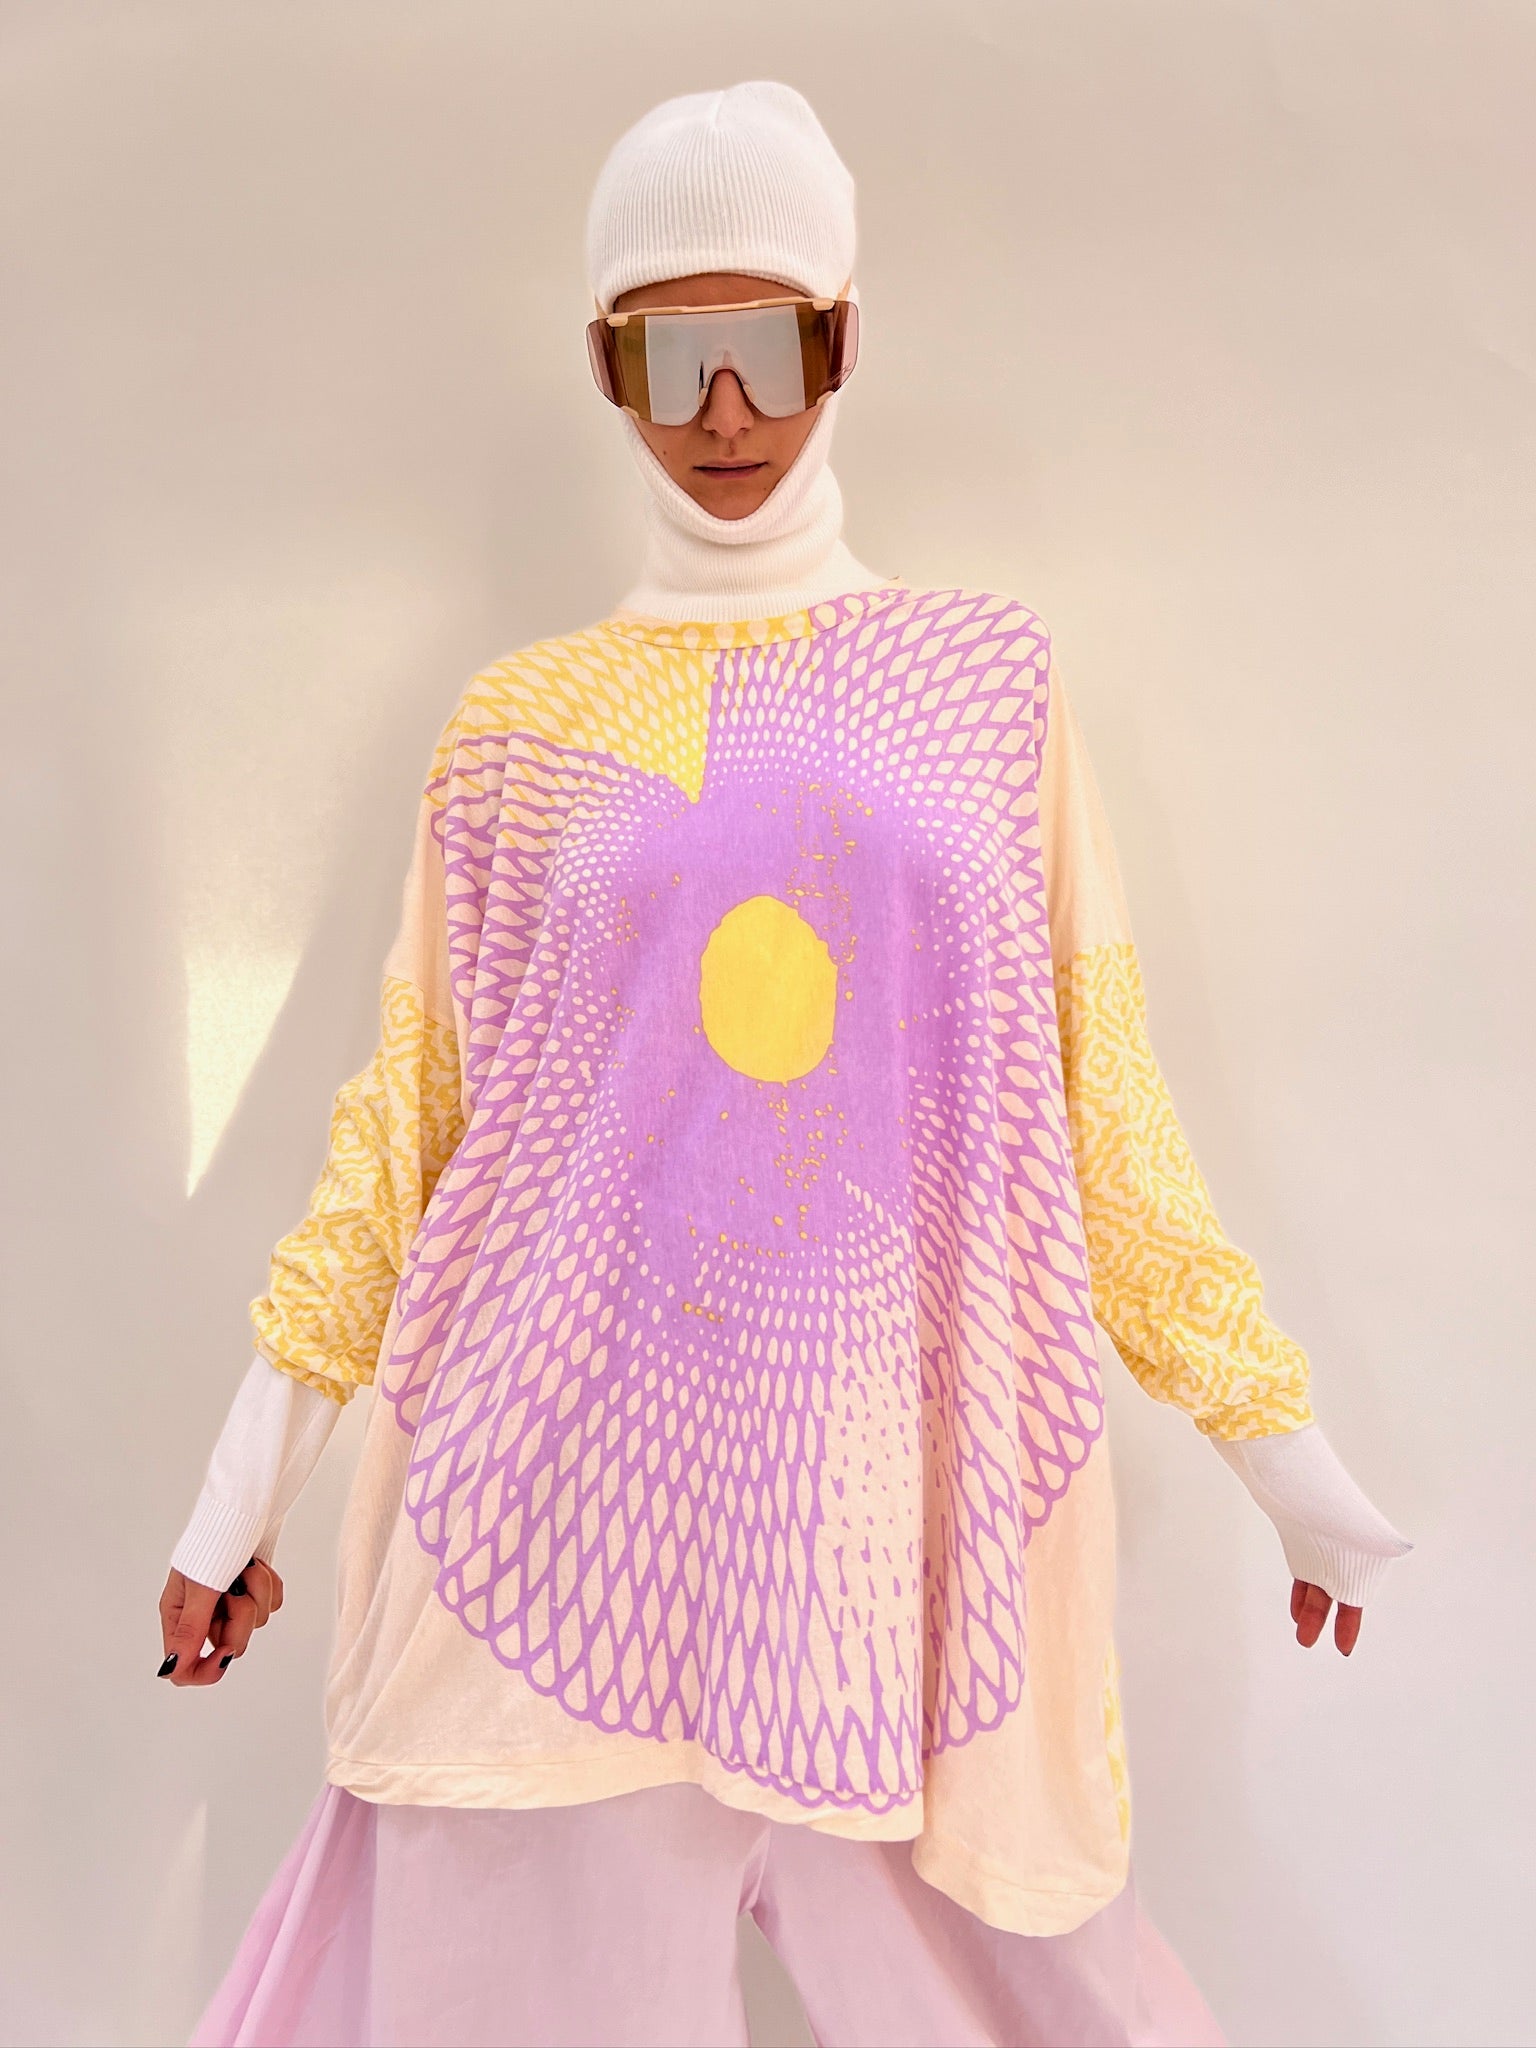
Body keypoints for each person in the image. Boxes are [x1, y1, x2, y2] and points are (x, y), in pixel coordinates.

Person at [161, 81, 1411, 2048]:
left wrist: (1288, 1460)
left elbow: (1100, 1100)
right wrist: (233, 1501)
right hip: (547, 1547)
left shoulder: (985, 683)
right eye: (671, 359)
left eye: (767, 346)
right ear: (610, 369)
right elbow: (399, 1144)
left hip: (892, 1551)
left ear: (842, 340)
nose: (725, 411)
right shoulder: (518, 730)